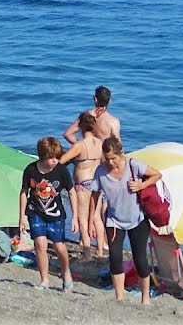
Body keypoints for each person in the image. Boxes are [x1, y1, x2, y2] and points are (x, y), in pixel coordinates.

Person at [86, 135, 162, 304]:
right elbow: (94, 195)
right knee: (114, 256)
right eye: (107, 158)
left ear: (121, 154)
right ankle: (119, 297)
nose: (110, 162)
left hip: (138, 219)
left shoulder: (133, 165)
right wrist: (92, 219)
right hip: (114, 220)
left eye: (113, 158)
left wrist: (141, 185)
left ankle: (145, 297)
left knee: (140, 258)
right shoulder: (101, 171)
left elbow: (157, 174)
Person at [19, 137, 75, 292]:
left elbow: (71, 192)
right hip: (35, 211)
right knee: (40, 244)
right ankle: (44, 280)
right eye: (52, 158)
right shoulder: (31, 170)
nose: (55, 161)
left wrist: (75, 216)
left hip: (56, 213)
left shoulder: (61, 170)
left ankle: (65, 271)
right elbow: (24, 192)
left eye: (57, 157)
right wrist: (21, 217)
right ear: (43, 156)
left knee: (59, 246)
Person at [58, 111, 106, 260]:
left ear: (81, 127)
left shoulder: (79, 145)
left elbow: (61, 161)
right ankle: (99, 250)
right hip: (97, 182)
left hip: (83, 184)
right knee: (97, 217)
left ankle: (86, 253)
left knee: (82, 219)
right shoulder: (101, 143)